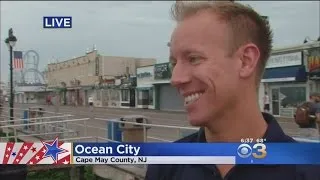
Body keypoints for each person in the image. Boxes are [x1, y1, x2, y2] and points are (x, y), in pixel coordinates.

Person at [145, 1, 320, 180]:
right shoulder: (166, 165)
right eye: (174, 63)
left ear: (245, 61)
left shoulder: (308, 172)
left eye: (194, 59)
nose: (175, 79)